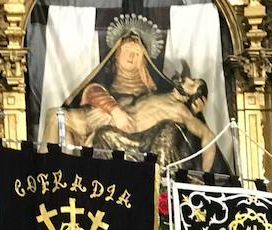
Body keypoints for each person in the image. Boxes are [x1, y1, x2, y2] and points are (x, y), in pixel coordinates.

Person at [43, 33, 219, 171]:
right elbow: (97, 91)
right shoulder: (156, 93)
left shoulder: (180, 110)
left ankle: (54, 175)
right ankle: (57, 176)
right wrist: (114, 109)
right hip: (107, 120)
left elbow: (207, 135)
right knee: (55, 118)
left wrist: (203, 173)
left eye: (137, 53)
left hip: (124, 135)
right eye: (126, 50)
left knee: (59, 118)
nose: (187, 78)